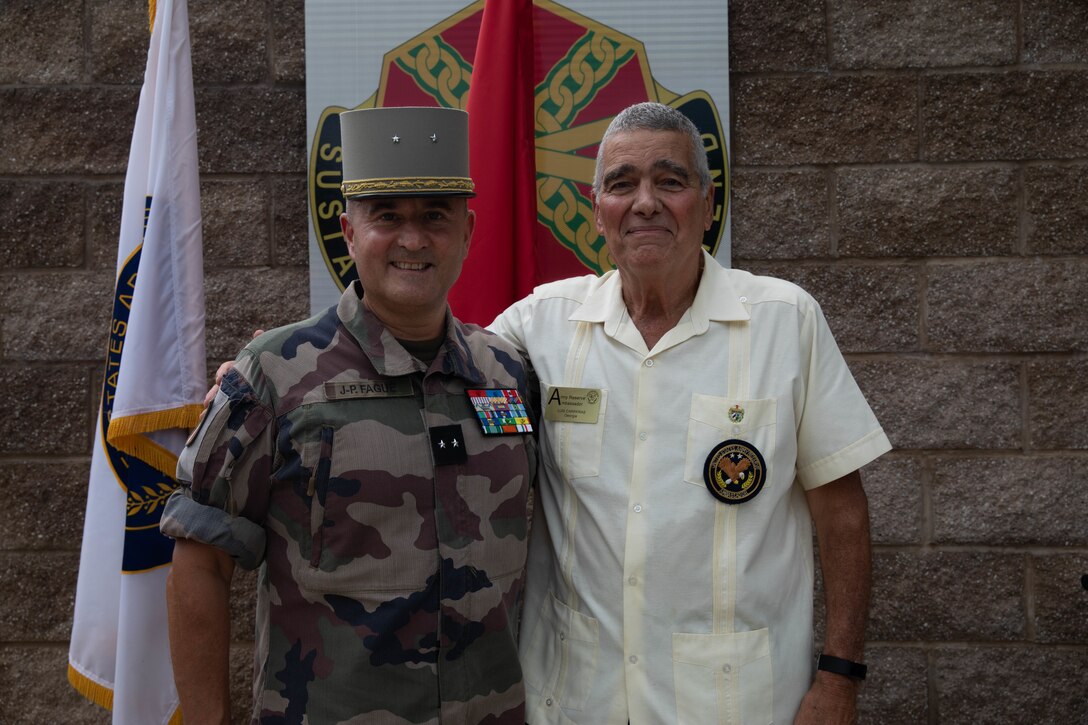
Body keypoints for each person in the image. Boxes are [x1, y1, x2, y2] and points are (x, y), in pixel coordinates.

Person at [488, 101, 892, 725]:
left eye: (669, 181)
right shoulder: (534, 329)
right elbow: (436, 381)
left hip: (735, 702)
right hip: (574, 699)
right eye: (622, 184)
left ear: (706, 207)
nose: (644, 201)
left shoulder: (786, 323)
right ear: (597, 211)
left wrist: (840, 675)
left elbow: (841, 512)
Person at [160, 106, 537, 725]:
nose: (413, 240)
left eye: (435, 218)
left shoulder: (508, 373)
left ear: (468, 233)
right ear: (349, 231)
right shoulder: (274, 375)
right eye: (387, 216)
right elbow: (199, 562)